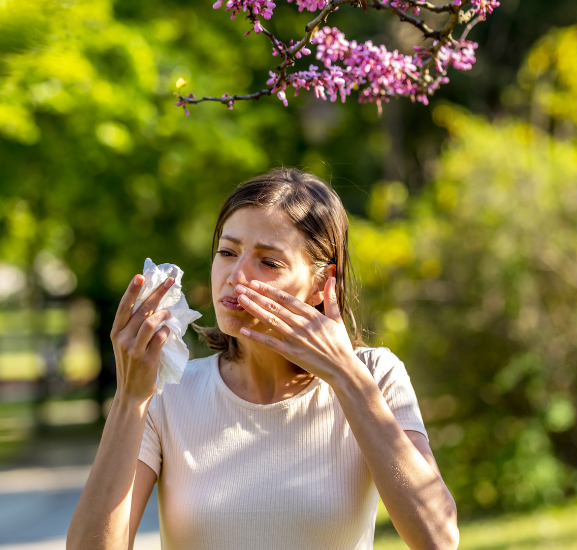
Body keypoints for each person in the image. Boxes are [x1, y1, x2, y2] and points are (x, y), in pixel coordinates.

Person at [67, 168, 458, 550]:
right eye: (227, 252)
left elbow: (438, 540)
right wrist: (129, 399)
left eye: (268, 262)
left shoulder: (375, 376)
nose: (236, 275)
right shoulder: (170, 394)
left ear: (323, 284)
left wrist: (346, 376)